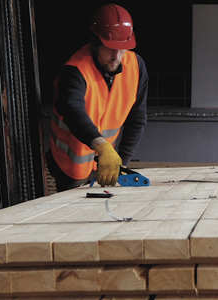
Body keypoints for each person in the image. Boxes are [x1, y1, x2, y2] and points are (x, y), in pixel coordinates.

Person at [46, 3, 148, 192]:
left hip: (106, 162)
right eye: (110, 48)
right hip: (70, 168)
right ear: (95, 41)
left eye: (122, 48)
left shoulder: (136, 66)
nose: (116, 56)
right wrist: (101, 145)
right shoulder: (75, 70)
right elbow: (72, 110)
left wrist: (121, 164)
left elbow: (137, 120)